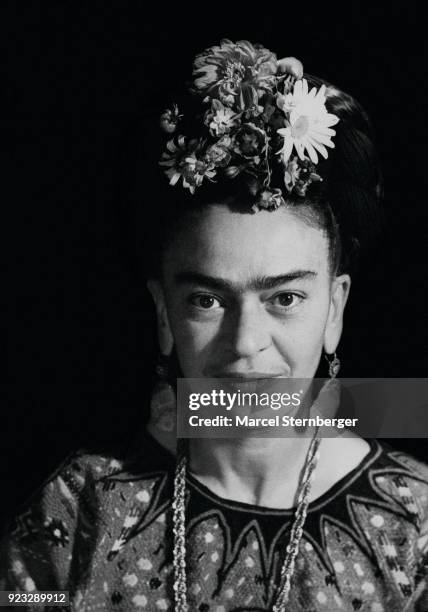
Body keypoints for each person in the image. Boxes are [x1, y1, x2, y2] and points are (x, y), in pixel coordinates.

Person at [1, 38, 428, 612]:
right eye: (207, 300)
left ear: (334, 310)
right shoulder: (81, 509)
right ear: (164, 314)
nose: (246, 343)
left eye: (286, 298)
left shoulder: (415, 526)